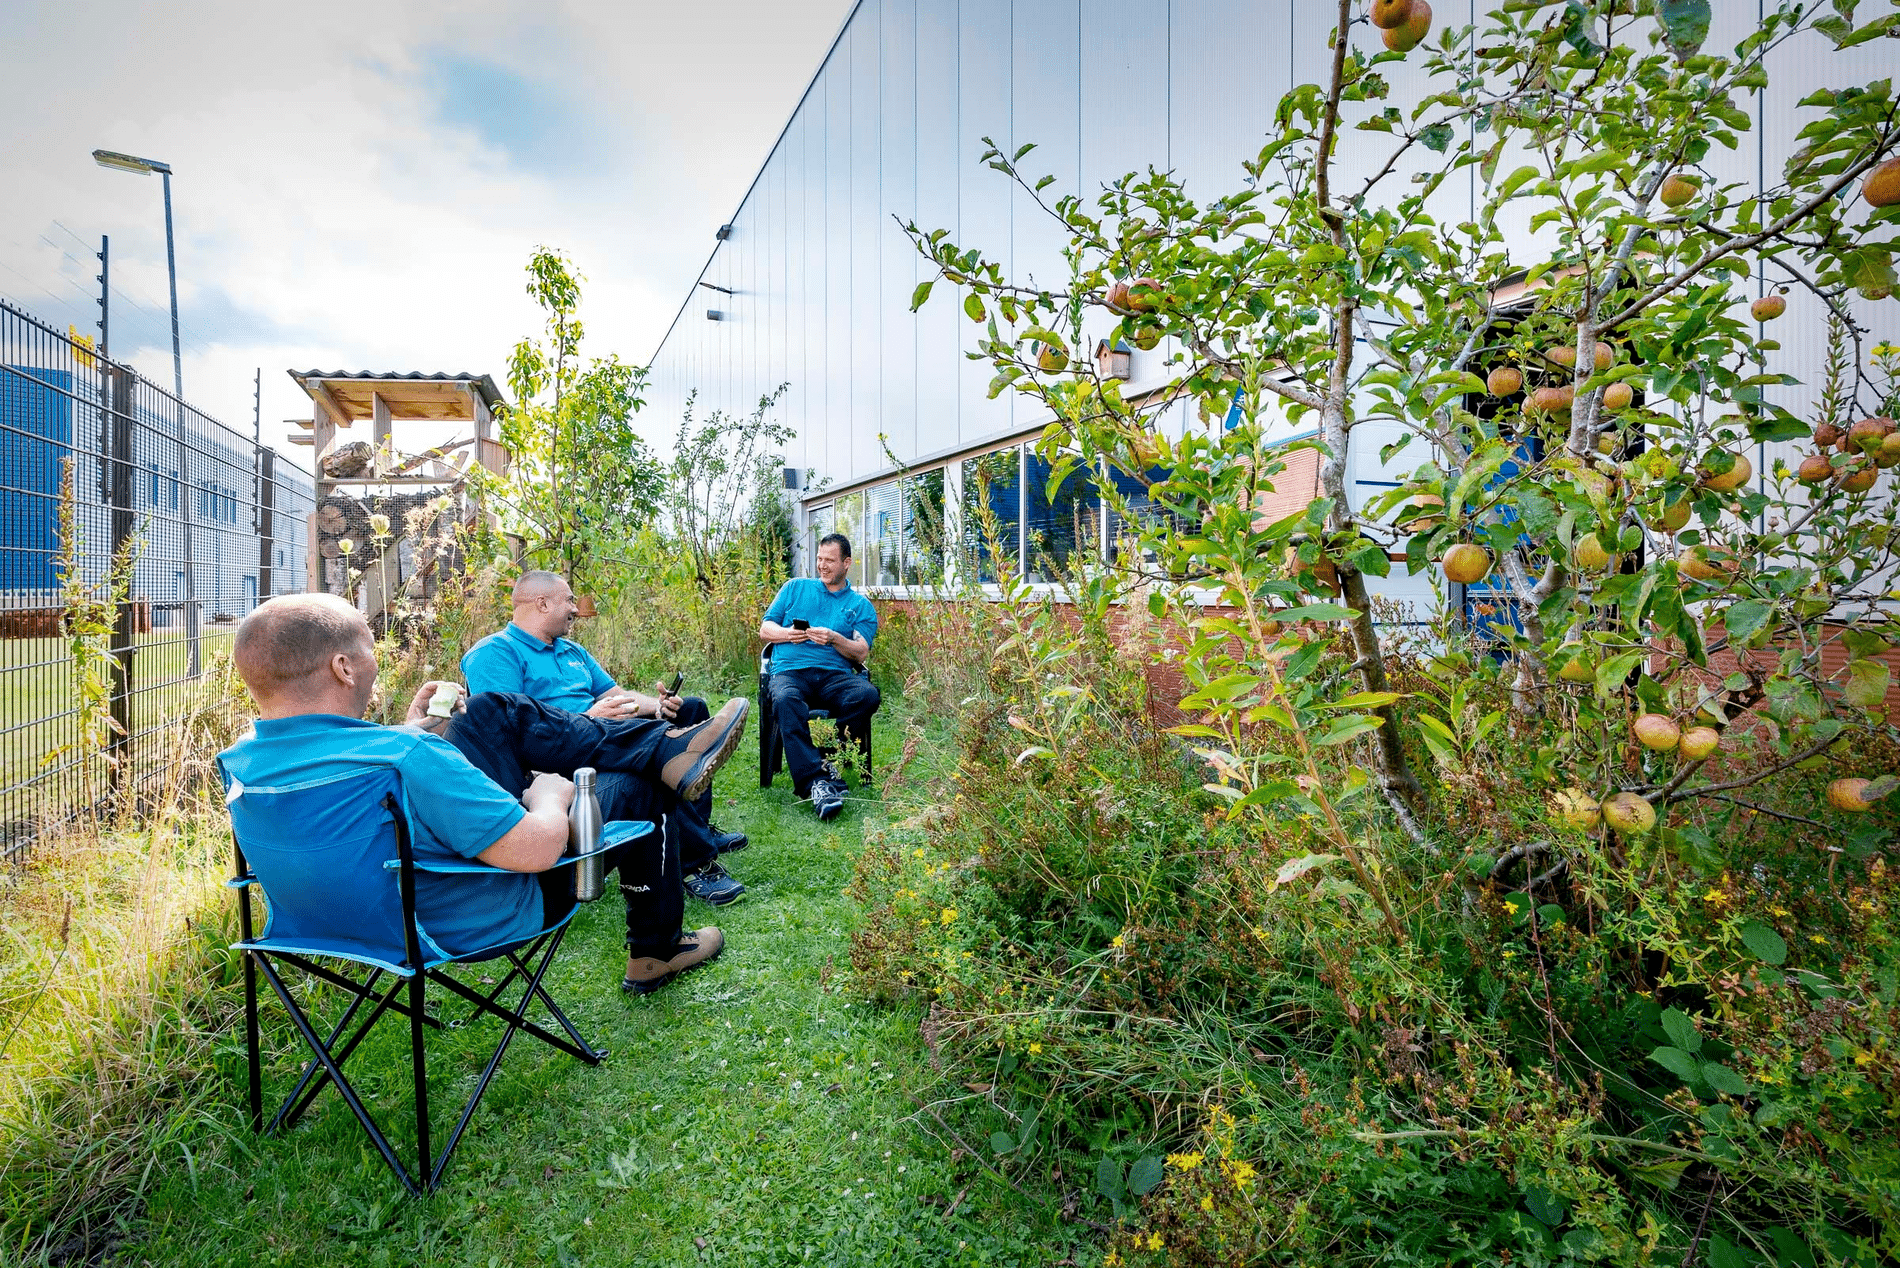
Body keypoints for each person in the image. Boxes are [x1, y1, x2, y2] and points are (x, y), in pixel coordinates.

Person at [219, 593, 749, 995]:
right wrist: (547, 799)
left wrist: (412, 728)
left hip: (335, 924)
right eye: (369, 649)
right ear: (342, 666)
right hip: (472, 917)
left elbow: (348, 788)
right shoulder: (406, 760)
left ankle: (665, 751)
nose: (373, 663)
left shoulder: (242, 762)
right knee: (634, 787)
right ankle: (656, 949)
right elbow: (537, 850)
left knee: (492, 710)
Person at [461, 571, 749, 907]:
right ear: (542, 603)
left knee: (688, 710)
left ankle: (696, 825)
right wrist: (587, 720)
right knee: (649, 760)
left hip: (604, 732)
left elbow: (617, 694)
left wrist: (658, 705)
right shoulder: (495, 653)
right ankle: (694, 863)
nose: (575, 608)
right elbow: (508, 730)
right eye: (569, 599)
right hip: (557, 759)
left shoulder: (573, 651)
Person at [757, 532, 881, 821]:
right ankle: (817, 781)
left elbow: (860, 652)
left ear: (847, 563)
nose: (822, 566)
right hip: (790, 673)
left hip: (833, 677)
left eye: (829, 560)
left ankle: (821, 763)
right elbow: (765, 629)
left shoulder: (860, 606)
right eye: (819, 559)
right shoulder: (795, 588)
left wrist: (836, 638)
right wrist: (789, 635)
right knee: (786, 699)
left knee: (867, 695)